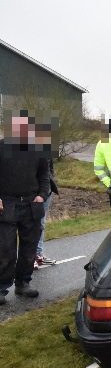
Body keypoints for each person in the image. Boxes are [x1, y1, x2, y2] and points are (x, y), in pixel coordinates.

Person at [0, 110, 51, 304]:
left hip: (31, 204)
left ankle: (23, 283)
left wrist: (41, 195)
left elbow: (45, 176)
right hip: (7, 204)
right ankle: (2, 287)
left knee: (29, 248)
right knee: (5, 249)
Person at [35, 156, 58, 269]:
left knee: (41, 224)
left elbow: (49, 167)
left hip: (46, 192)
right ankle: (29, 257)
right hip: (31, 192)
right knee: (29, 225)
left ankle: (38, 256)